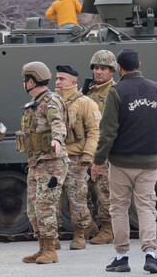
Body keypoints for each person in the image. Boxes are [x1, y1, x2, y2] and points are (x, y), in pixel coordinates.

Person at [91, 49, 157, 273]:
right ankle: (151, 255)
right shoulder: (155, 88)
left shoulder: (116, 92)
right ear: (139, 64)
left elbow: (108, 132)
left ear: (119, 68)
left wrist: (97, 161)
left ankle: (122, 257)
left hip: (121, 162)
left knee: (118, 208)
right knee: (146, 208)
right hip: (149, 161)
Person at [18, 61, 68, 264]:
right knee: (32, 207)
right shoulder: (36, 102)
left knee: (45, 206)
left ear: (31, 81)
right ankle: (42, 246)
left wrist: (57, 139)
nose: (23, 84)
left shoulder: (50, 101)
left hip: (52, 162)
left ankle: (50, 249)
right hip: (37, 162)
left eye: (25, 80)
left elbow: (58, 123)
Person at [54, 64, 100, 250]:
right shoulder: (51, 101)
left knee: (77, 199)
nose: (57, 82)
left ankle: (80, 233)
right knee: (51, 200)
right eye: (56, 79)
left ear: (73, 82)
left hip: (76, 159)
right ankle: (52, 235)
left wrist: (88, 154)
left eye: (61, 79)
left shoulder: (86, 103)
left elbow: (95, 131)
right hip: (54, 159)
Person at [84, 50, 118, 245]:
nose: (98, 72)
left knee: (104, 191)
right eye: (96, 68)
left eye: (103, 68)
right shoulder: (89, 91)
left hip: (104, 151)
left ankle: (108, 228)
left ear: (112, 71)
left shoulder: (113, 92)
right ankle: (91, 224)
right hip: (87, 149)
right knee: (86, 190)